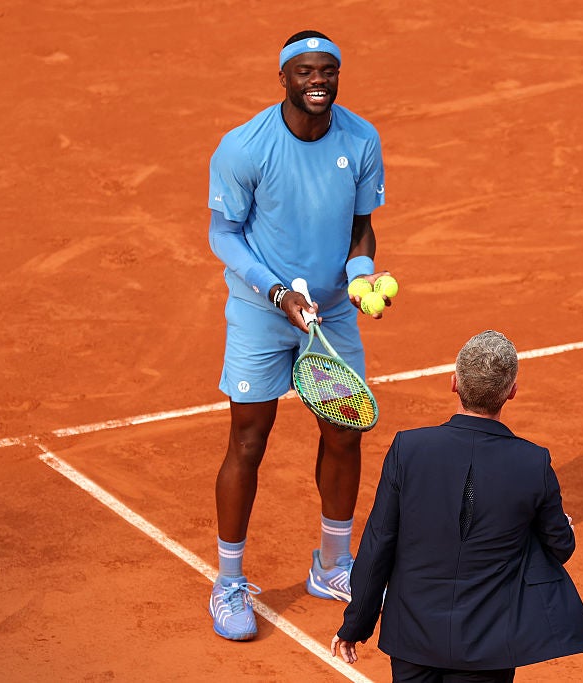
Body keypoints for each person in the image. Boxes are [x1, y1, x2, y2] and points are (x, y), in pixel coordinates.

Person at [205, 29, 393, 642]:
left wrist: (361, 276)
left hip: (333, 313)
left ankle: (332, 565)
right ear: (283, 78)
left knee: (345, 432)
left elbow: (361, 226)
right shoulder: (244, 148)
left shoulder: (361, 139)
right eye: (306, 72)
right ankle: (228, 582)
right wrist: (277, 292)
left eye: (330, 72)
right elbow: (224, 236)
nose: (320, 81)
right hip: (264, 312)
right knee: (248, 439)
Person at [331, 331, 583, 681]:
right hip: (489, 647)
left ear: (454, 383)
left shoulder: (408, 450)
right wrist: (562, 526)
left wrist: (356, 624)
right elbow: (560, 546)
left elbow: (378, 545)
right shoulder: (533, 463)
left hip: (412, 638)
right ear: (511, 391)